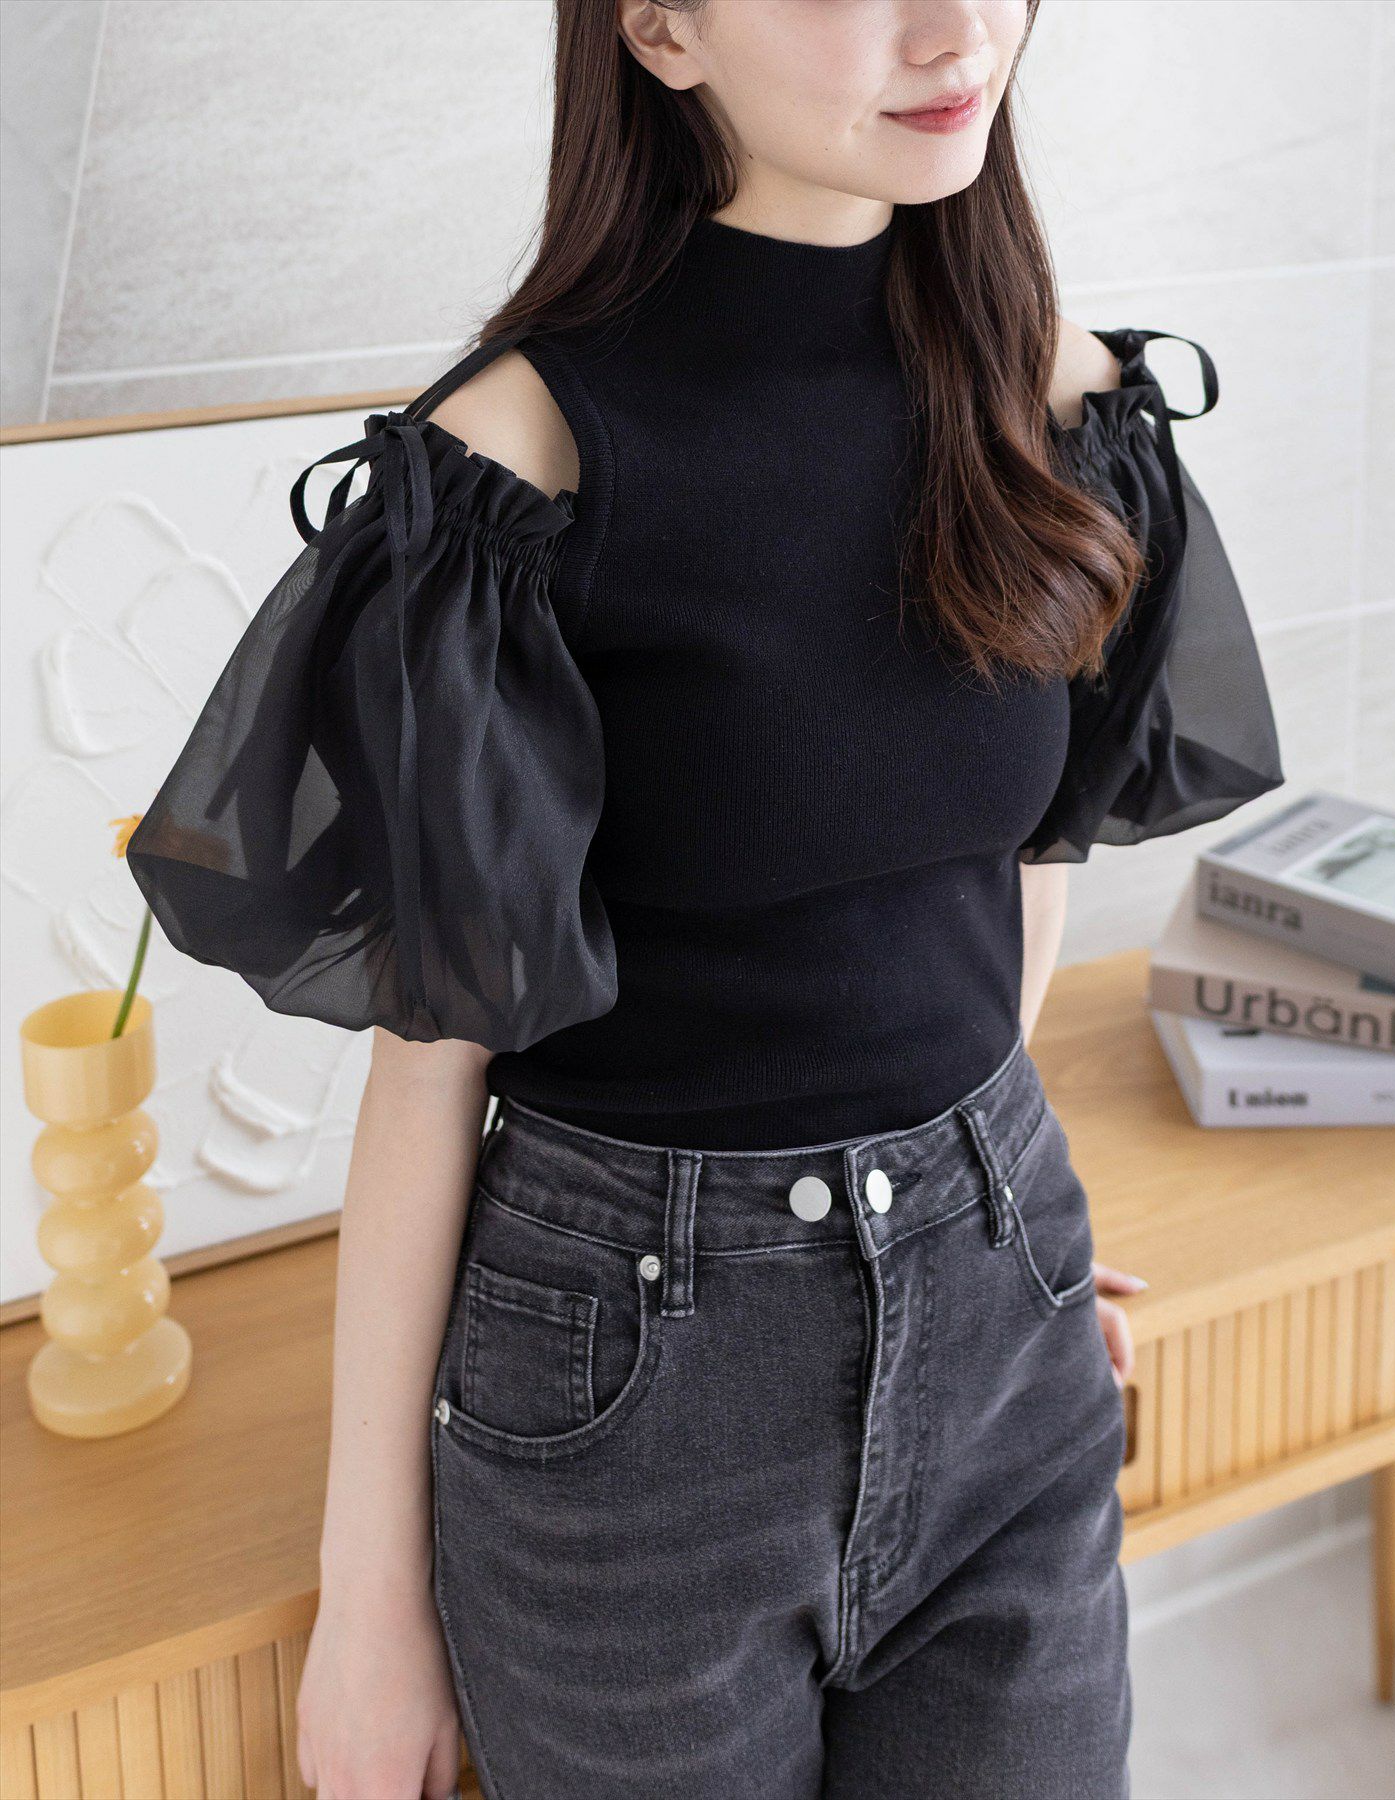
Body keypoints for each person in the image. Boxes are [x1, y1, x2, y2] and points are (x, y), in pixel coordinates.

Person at [125, 2, 1284, 1796]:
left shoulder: (1062, 399)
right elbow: (429, 1072)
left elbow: (1027, 858)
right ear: (660, 27)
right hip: (629, 1409)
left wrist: (979, 1236)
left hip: (1005, 1347)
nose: (955, 31)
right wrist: (375, 1604)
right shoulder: (515, 469)